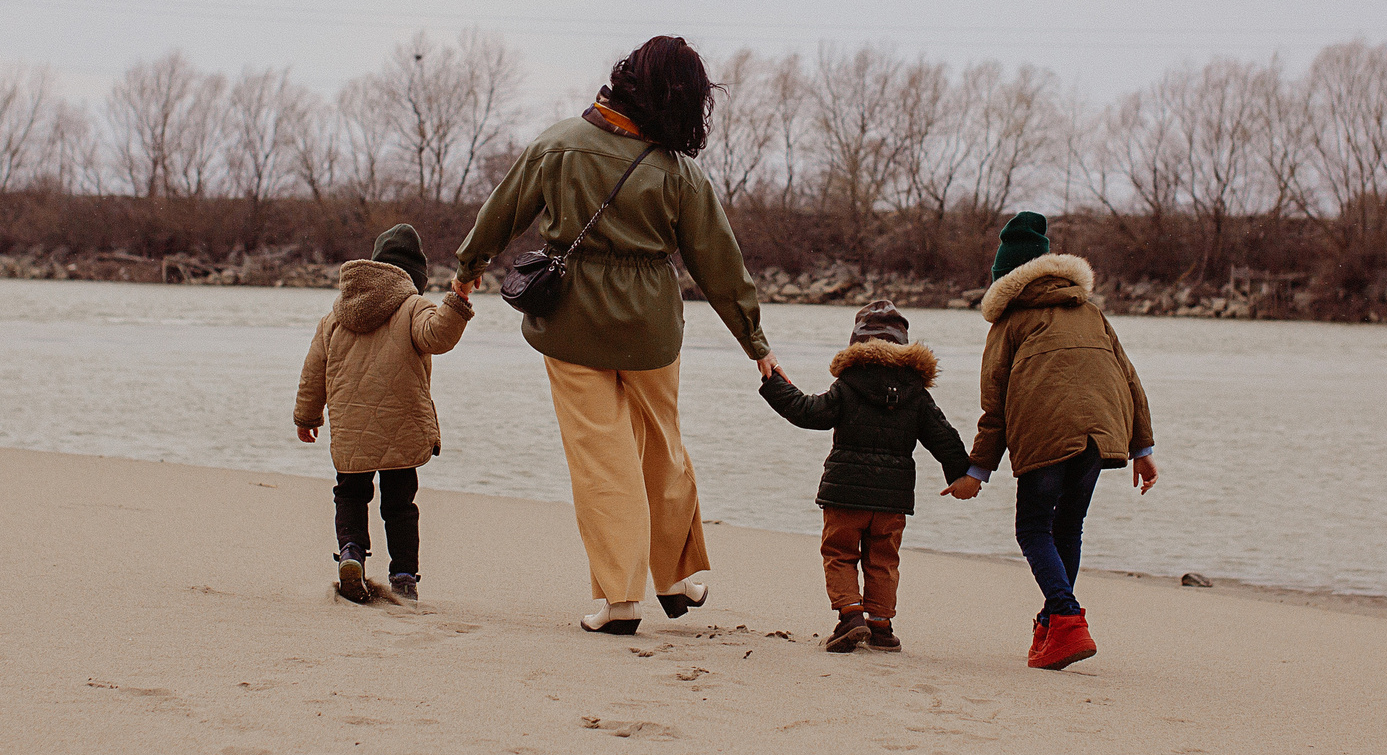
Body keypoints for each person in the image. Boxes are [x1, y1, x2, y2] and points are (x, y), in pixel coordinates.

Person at [453, 36, 776, 635]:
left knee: (602, 461)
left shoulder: (557, 146)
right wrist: (755, 344)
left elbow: (502, 212)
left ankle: (620, 598)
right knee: (665, 447)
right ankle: (679, 576)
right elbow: (721, 265)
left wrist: (470, 267)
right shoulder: (679, 172)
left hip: (572, 325)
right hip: (651, 328)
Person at [945, 211, 1157, 671]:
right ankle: (1051, 625)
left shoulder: (1009, 326)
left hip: (1046, 437)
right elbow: (1130, 380)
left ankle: (1064, 617)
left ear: (1005, 280)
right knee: (1069, 527)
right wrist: (1143, 450)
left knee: (1033, 528)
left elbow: (995, 406)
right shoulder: (1092, 313)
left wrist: (975, 472)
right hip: (1103, 437)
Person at [759, 300, 971, 653]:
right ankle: (882, 627)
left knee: (840, 553)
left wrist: (775, 382)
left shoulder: (848, 386)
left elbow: (806, 412)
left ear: (857, 343)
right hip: (893, 499)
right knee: (884, 559)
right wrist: (963, 475)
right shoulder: (917, 394)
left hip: (845, 494)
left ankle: (850, 615)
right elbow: (944, 437)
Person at [294, 223, 473, 604]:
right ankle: (404, 576)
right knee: (399, 505)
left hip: (350, 430)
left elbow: (314, 371)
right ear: (415, 276)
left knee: (350, 494)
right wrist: (456, 301)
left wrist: (307, 418)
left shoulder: (335, 316)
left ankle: (352, 554)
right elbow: (438, 336)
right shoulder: (413, 307)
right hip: (401, 427)